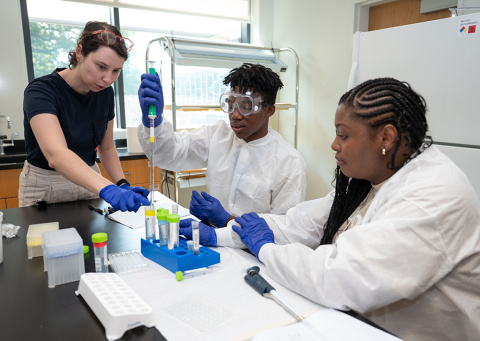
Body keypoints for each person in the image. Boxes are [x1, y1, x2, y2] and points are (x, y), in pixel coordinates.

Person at [180, 78, 480, 341]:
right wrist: (220, 235)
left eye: (344, 135)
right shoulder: (370, 178)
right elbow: (303, 224)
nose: (334, 145)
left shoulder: (431, 195)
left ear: (386, 138)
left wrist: (266, 249)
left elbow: (340, 278)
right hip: (363, 323)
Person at [137, 63, 306, 226]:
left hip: (254, 253)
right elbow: (167, 154)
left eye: (247, 107)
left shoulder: (289, 161)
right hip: (213, 243)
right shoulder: (217, 136)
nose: (235, 115)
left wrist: (227, 220)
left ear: (269, 110)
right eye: (231, 105)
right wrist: (154, 122)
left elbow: (284, 229)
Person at [21, 21, 150, 212]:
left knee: (95, 241)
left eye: (116, 71)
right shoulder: (41, 91)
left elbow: (106, 148)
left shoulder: (105, 93)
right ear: (80, 53)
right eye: (101, 67)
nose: (108, 79)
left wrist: (122, 184)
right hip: (46, 186)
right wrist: (107, 188)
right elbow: (56, 155)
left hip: (90, 183)